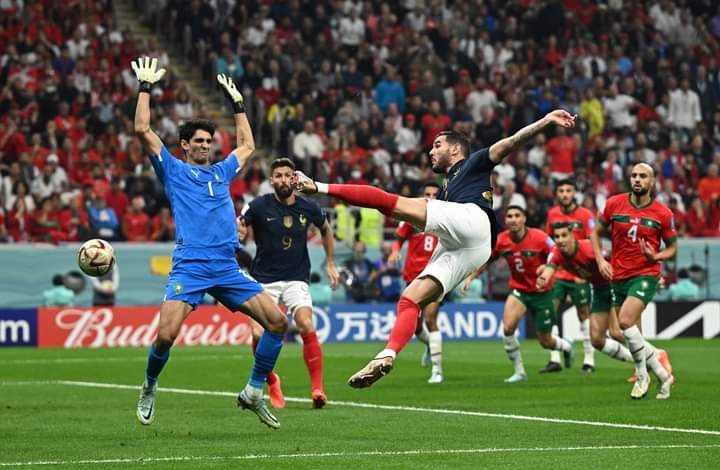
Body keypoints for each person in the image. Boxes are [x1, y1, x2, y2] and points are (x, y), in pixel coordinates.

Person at [294, 109, 577, 388]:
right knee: (410, 299)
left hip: (474, 220)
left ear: (456, 150)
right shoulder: (445, 189)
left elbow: (511, 142)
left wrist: (545, 121)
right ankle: (388, 354)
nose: (431, 151)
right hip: (469, 248)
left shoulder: (475, 161)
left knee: (390, 201)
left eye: (437, 145)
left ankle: (318, 186)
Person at [131, 56, 287, 429]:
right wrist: (145, 88)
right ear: (184, 145)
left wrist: (238, 106)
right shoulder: (173, 169)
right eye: (199, 141)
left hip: (227, 266)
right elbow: (142, 129)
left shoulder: (222, 171)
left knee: (278, 323)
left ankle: (252, 391)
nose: (206, 145)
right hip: (190, 264)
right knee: (166, 336)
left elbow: (247, 146)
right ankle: (150, 385)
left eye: (209, 141)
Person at [239, 157, 339, 410]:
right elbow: (239, 224)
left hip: (296, 277)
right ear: (271, 180)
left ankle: (317, 388)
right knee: (257, 333)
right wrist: (238, 232)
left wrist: (330, 263)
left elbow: (326, 229)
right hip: (263, 280)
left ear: (295, 178)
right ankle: (272, 381)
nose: (284, 180)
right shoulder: (259, 206)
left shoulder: (309, 206)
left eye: (288, 175)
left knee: (306, 323)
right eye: (279, 176)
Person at [590, 162, 676, 400]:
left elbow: (672, 249)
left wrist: (655, 256)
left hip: (646, 274)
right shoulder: (614, 204)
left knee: (625, 322)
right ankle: (661, 371)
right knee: (621, 330)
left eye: (643, 176)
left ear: (652, 182)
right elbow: (595, 233)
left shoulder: (663, 213)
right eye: (634, 176)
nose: (637, 179)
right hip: (619, 275)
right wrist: (600, 261)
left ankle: (642, 374)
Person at [462, 206, 574, 383]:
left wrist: (547, 267)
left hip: (543, 292)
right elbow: (488, 259)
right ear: (505, 220)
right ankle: (519, 371)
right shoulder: (502, 240)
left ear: (524, 219)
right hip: (519, 290)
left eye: (517, 216)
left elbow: (556, 251)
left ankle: (566, 347)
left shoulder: (540, 237)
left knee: (545, 341)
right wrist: (472, 276)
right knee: (507, 328)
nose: (513, 219)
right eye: (509, 216)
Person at [388, 181, 444, 384]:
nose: (430, 196)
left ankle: (437, 371)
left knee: (431, 318)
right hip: (413, 276)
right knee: (416, 326)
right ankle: (430, 345)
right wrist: (395, 251)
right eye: (427, 193)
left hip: (436, 274)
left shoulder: (446, 215)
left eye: (434, 194)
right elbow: (399, 238)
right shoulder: (413, 215)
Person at [543, 179, 596, 373]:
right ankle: (555, 357)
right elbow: (550, 242)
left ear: (574, 193)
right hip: (558, 272)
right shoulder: (552, 214)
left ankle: (589, 359)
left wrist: (587, 271)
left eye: (568, 190)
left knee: (584, 313)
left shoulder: (585, 215)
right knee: (551, 309)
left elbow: (592, 241)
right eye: (561, 191)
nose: (565, 194)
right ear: (557, 194)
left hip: (579, 272)